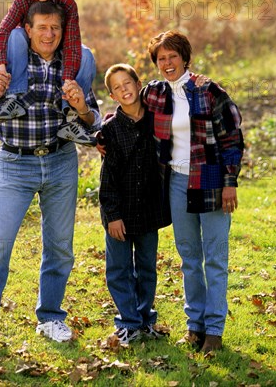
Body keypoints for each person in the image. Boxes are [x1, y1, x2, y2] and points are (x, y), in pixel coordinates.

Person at [0, 1, 101, 356]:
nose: (49, 35)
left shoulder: (75, 62)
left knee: (59, 247)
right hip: (15, 165)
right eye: (42, 28)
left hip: (60, 161)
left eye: (55, 28)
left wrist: (81, 108)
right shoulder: (7, 58)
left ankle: (51, 316)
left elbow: (93, 120)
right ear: (27, 28)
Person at [142, 30, 244, 354]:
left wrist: (230, 183)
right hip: (176, 181)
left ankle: (214, 330)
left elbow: (232, 139)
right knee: (188, 258)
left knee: (215, 258)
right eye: (161, 58)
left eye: (173, 56)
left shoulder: (209, 90)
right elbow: (130, 114)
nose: (167, 63)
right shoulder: (155, 93)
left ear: (185, 57)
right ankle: (194, 325)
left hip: (210, 178)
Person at [0, 0, 96, 146]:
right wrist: (1, 65)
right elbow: (2, 33)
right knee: (15, 34)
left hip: (57, 45)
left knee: (87, 54)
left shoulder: (68, 3)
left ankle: (70, 117)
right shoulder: (21, 1)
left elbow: (72, 43)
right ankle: (14, 99)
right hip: (29, 45)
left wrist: (68, 79)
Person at [99, 64, 171, 344]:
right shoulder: (111, 129)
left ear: (138, 84)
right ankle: (128, 322)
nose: (124, 90)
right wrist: (112, 215)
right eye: (117, 87)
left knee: (146, 267)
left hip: (149, 209)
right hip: (119, 212)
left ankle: (144, 320)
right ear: (113, 96)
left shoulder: (157, 119)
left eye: (127, 83)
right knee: (118, 269)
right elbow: (108, 179)